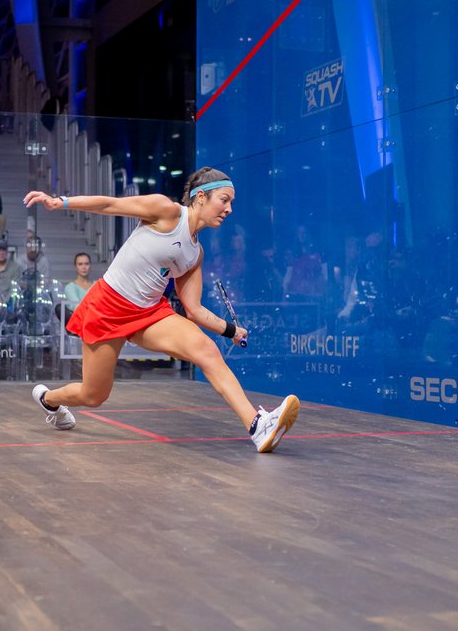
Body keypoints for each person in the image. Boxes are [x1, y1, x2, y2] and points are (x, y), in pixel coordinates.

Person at [22, 167, 300, 452]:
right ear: (201, 197)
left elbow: (194, 310)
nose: (229, 209)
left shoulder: (195, 254)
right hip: (107, 308)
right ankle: (49, 400)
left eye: (231, 203)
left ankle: (257, 425)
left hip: (149, 313)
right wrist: (60, 202)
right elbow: (109, 205)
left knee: (206, 350)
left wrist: (231, 330)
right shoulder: (166, 211)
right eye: (224, 200)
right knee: (93, 396)